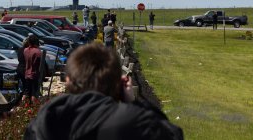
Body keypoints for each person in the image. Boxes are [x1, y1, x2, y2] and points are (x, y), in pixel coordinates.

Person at [24, 43, 183, 140]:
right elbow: (173, 135)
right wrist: (134, 103)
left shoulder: (45, 122)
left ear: (68, 81)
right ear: (118, 86)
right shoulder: (132, 122)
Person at [22, 34, 42, 104]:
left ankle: (22, 106)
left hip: (27, 73)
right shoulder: (37, 51)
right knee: (34, 93)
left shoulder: (25, 50)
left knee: (26, 92)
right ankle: (34, 109)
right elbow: (40, 63)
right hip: (34, 74)